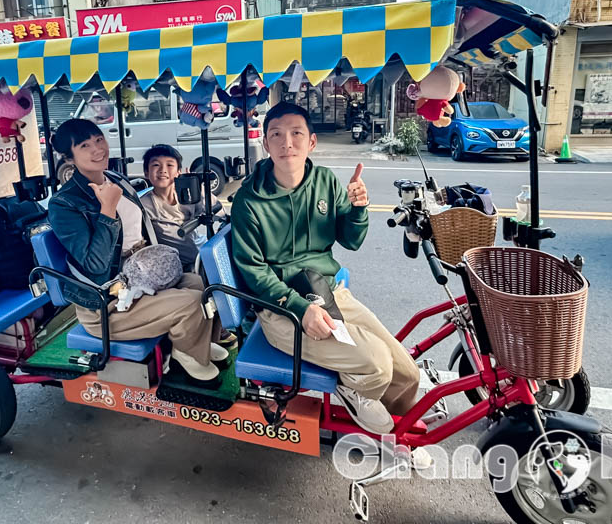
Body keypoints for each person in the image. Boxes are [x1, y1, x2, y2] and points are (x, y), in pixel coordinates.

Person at [230, 102, 422, 438]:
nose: (286, 142)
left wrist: (359, 209)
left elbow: (351, 240)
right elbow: (253, 271)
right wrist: (301, 310)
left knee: (407, 373)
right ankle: (355, 393)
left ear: (311, 142)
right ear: (266, 144)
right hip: (282, 310)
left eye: (296, 133)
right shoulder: (248, 201)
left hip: (327, 291)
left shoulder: (325, 181)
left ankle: (401, 435)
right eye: (276, 134)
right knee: (376, 364)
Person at [47, 119, 228, 382]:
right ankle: (185, 355)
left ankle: (196, 343)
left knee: (201, 283)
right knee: (189, 303)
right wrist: (107, 211)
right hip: (107, 302)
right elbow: (95, 264)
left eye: (99, 140)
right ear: (69, 157)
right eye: (85, 145)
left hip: (141, 276)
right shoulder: (64, 204)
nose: (98, 149)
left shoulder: (116, 179)